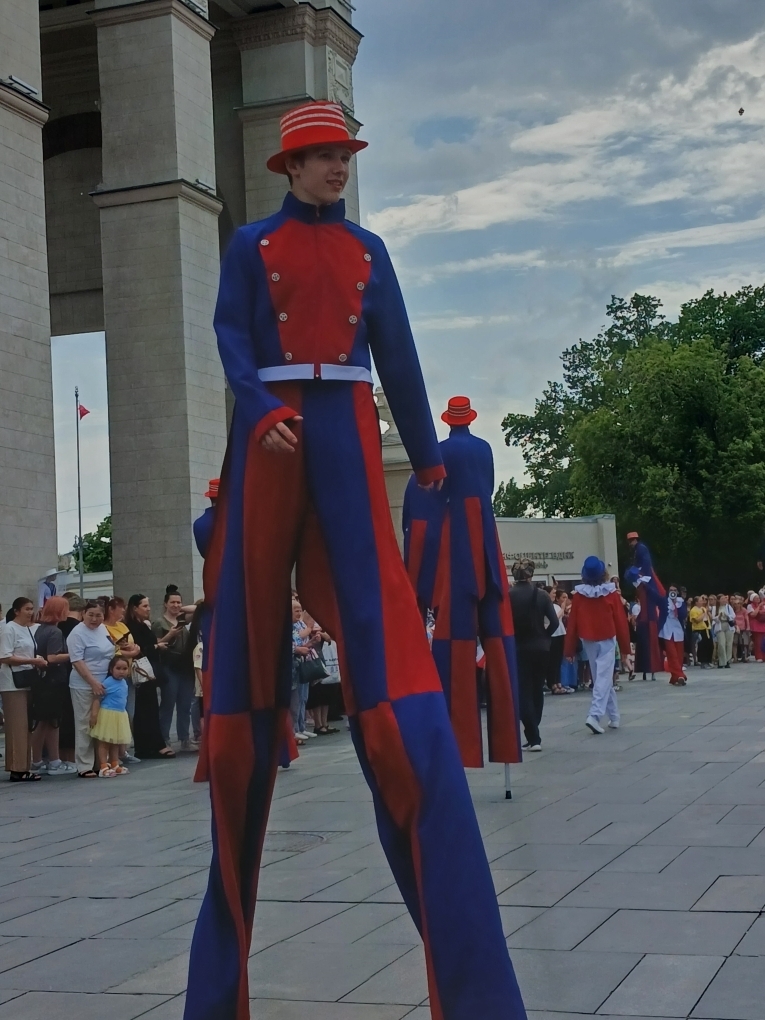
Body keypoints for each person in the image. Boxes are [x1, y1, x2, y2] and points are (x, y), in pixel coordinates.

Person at [187, 100, 528, 1020]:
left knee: (377, 615)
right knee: (249, 632)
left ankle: (400, 728)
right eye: (322, 155)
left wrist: (425, 457)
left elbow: (399, 357)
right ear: (289, 168)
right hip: (271, 436)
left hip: (344, 423)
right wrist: (259, 407)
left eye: (343, 154)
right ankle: (240, 724)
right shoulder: (250, 245)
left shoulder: (369, 251)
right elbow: (229, 335)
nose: (338, 167)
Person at [402, 396, 522, 766]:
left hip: (456, 545)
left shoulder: (440, 452)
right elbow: (488, 487)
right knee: (497, 638)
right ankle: (506, 742)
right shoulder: (484, 449)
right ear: (470, 418)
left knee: (454, 641)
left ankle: (460, 745)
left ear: (448, 421)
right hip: (484, 535)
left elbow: (432, 497)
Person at [564, 557, 632, 734]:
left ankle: (614, 716)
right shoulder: (611, 594)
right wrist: (626, 649)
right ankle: (594, 716)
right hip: (607, 638)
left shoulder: (579, 596)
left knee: (601, 677)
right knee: (603, 677)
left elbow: (572, 624)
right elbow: (621, 622)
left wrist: (569, 649)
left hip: (588, 639)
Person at [507, 559, 558, 751]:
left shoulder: (509, 595)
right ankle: (534, 730)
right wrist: (545, 636)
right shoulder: (542, 594)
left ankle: (533, 736)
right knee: (537, 689)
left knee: (523, 691)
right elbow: (554, 622)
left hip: (519, 647)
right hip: (541, 647)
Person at [66, 600, 115, 778]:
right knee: (85, 723)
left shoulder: (103, 629)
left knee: (102, 723)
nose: (94, 619)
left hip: (105, 681)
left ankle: (100, 762)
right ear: (83, 614)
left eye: (98, 615)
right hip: (84, 683)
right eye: (91, 615)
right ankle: (84, 765)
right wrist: (92, 682)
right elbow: (77, 661)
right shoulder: (77, 633)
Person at [124, 595, 176, 759]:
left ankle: (148, 746)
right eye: (145, 606)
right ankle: (153, 745)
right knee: (145, 709)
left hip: (148, 671)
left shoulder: (142, 625)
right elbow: (139, 648)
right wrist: (156, 646)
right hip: (142, 671)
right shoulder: (132, 627)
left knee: (149, 708)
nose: (148, 609)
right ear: (135, 608)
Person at [0, 597, 45, 781]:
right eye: (26, 609)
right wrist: (32, 660)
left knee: (26, 726)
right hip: (12, 682)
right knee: (17, 726)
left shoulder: (26, 629)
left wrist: (35, 659)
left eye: (31, 608)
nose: (30, 612)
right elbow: (5, 656)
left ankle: (23, 765)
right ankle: (17, 768)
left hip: (26, 679)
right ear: (16, 611)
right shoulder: (9, 629)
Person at [30, 596, 77, 774]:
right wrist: (75, 654)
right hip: (53, 680)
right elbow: (53, 657)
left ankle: (50, 759)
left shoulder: (41, 629)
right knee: (47, 722)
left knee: (48, 722)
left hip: (44, 680)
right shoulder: (55, 632)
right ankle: (42, 760)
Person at [153, 586, 195, 750]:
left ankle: (185, 738)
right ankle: (164, 739)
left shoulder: (183, 620)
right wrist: (170, 635)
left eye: (178, 602)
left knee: (185, 704)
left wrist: (180, 610)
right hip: (169, 665)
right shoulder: (159, 622)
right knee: (168, 703)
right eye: (172, 602)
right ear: (165, 604)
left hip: (185, 666)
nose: (176, 605)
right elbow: (156, 644)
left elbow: (198, 608)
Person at [104, 596, 142, 764]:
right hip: (114, 672)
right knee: (114, 713)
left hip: (129, 671)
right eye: (120, 607)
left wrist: (134, 649)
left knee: (128, 712)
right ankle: (113, 752)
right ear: (111, 609)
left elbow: (132, 643)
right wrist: (130, 652)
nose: (123, 610)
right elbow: (112, 649)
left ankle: (122, 750)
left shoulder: (123, 626)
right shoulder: (104, 628)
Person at [625, 531, 665, 680]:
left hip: (645, 581)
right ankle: (647, 669)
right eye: (630, 541)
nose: (631, 543)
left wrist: (640, 575)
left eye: (633, 540)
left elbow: (645, 566)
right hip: (645, 614)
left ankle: (649, 669)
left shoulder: (641, 549)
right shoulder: (638, 550)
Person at [90, 654, 133, 777]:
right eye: (118, 668)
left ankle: (115, 764)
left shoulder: (124, 683)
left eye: (124, 669)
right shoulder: (108, 682)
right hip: (108, 714)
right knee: (104, 742)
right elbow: (97, 697)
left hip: (120, 715)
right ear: (111, 669)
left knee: (115, 742)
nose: (121, 672)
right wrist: (94, 714)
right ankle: (103, 766)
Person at [58, 593, 85, 763]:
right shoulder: (80, 629)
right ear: (82, 611)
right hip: (77, 674)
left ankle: (59, 756)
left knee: (62, 717)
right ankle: (72, 757)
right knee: (75, 716)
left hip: (58, 675)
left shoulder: (57, 626)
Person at [659, 585, 687, 686]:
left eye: (675, 590)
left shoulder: (681, 602)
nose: (673, 592)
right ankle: (680, 675)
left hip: (678, 629)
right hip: (667, 630)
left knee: (679, 655)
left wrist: (676, 604)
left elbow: (683, 615)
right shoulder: (664, 601)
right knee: (672, 654)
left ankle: (675, 677)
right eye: (671, 590)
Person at [691, 595, 713, 667]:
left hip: (707, 629)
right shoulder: (693, 610)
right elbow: (697, 620)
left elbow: (709, 618)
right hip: (699, 630)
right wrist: (704, 613)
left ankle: (708, 661)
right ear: (696, 602)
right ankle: (703, 662)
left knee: (710, 645)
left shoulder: (703, 608)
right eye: (700, 601)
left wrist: (707, 612)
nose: (702, 602)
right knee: (702, 647)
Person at [714, 594, 735, 669]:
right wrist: (718, 617)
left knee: (729, 644)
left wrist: (727, 616)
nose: (724, 600)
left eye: (725, 599)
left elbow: (733, 616)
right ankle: (722, 661)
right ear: (719, 600)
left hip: (728, 625)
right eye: (722, 599)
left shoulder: (728, 607)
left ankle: (727, 660)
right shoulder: (716, 608)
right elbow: (713, 618)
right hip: (720, 625)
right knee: (721, 644)